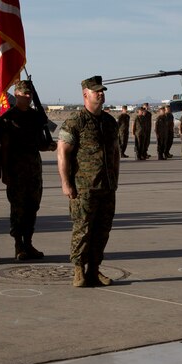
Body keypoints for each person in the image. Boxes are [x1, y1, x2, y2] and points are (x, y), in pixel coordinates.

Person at [58, 76, 120, 287]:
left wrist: (115, 179)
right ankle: (78, 270)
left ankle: (94, 269)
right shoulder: (76, 122)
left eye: (102, 91)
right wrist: (66, 183)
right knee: (82, 229)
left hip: (107, 187)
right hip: (84, 187)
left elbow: (115, 154)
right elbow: (63, 154)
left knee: (102, 230)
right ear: (86, 94)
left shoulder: (110, 122)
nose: (101, 94)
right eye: (96, 91)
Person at [1, 80, 53, 260]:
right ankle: (19, 246)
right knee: (18, 208)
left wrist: (49, 146)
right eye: (24, 94)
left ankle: (28, 243)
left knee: (32, 206)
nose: (28, 97)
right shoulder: (9, 117)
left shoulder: (36, 116)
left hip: (33, 168)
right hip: (16, 169)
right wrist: (5, 172)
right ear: (16, 94)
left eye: (29, 93)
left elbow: (39, 143)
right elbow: (5, 147)